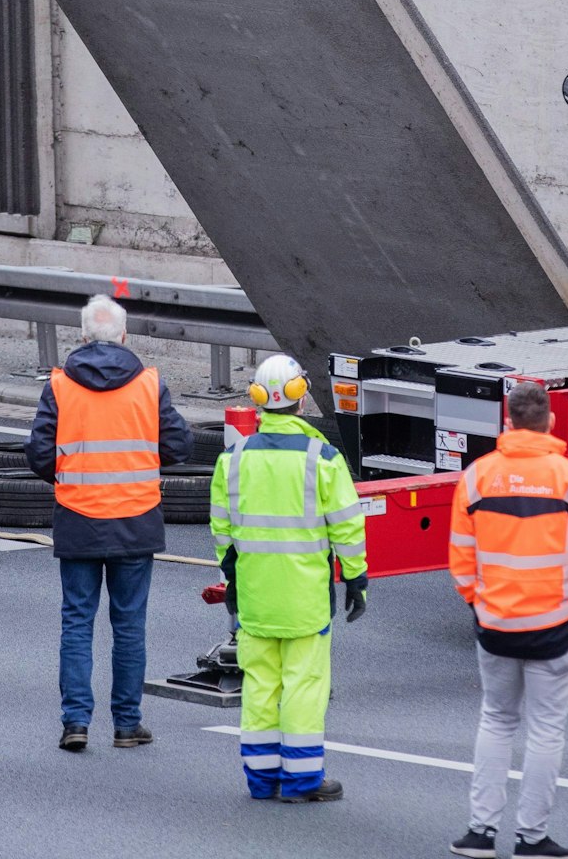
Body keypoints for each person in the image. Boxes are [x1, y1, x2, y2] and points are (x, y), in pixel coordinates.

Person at [446, 380, 568, 859]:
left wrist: (478, 603)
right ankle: (531, 840)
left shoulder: (476, 479)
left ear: (508, 422)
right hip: (558, 627)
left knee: (496, 720)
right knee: (546, 731)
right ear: (551, 422)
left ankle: (480, 832)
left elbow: (461, 558)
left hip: (496, 624)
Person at [26, 294, 191, 752]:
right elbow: (179, 445)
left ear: (82, 336)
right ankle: (127, 725)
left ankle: (76, 722)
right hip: (136, 520)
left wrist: (71, 476)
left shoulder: (61, 386)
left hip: (78, 518)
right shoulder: (149, 385)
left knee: (77, 623)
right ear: (124, 336)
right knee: (129, 626)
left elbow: (39, 453)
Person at [210, 354, 367, 802]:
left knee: (260, 686)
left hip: (256, 597)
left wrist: (231, 576)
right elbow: (347, 527)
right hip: (305, 600)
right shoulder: (323, 458)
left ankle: (262, 780)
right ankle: (302, 781)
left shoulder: (233, 459)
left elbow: (222, 529)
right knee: (303, 686)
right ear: (301, 397)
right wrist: (356, 579)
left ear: (258, 399)